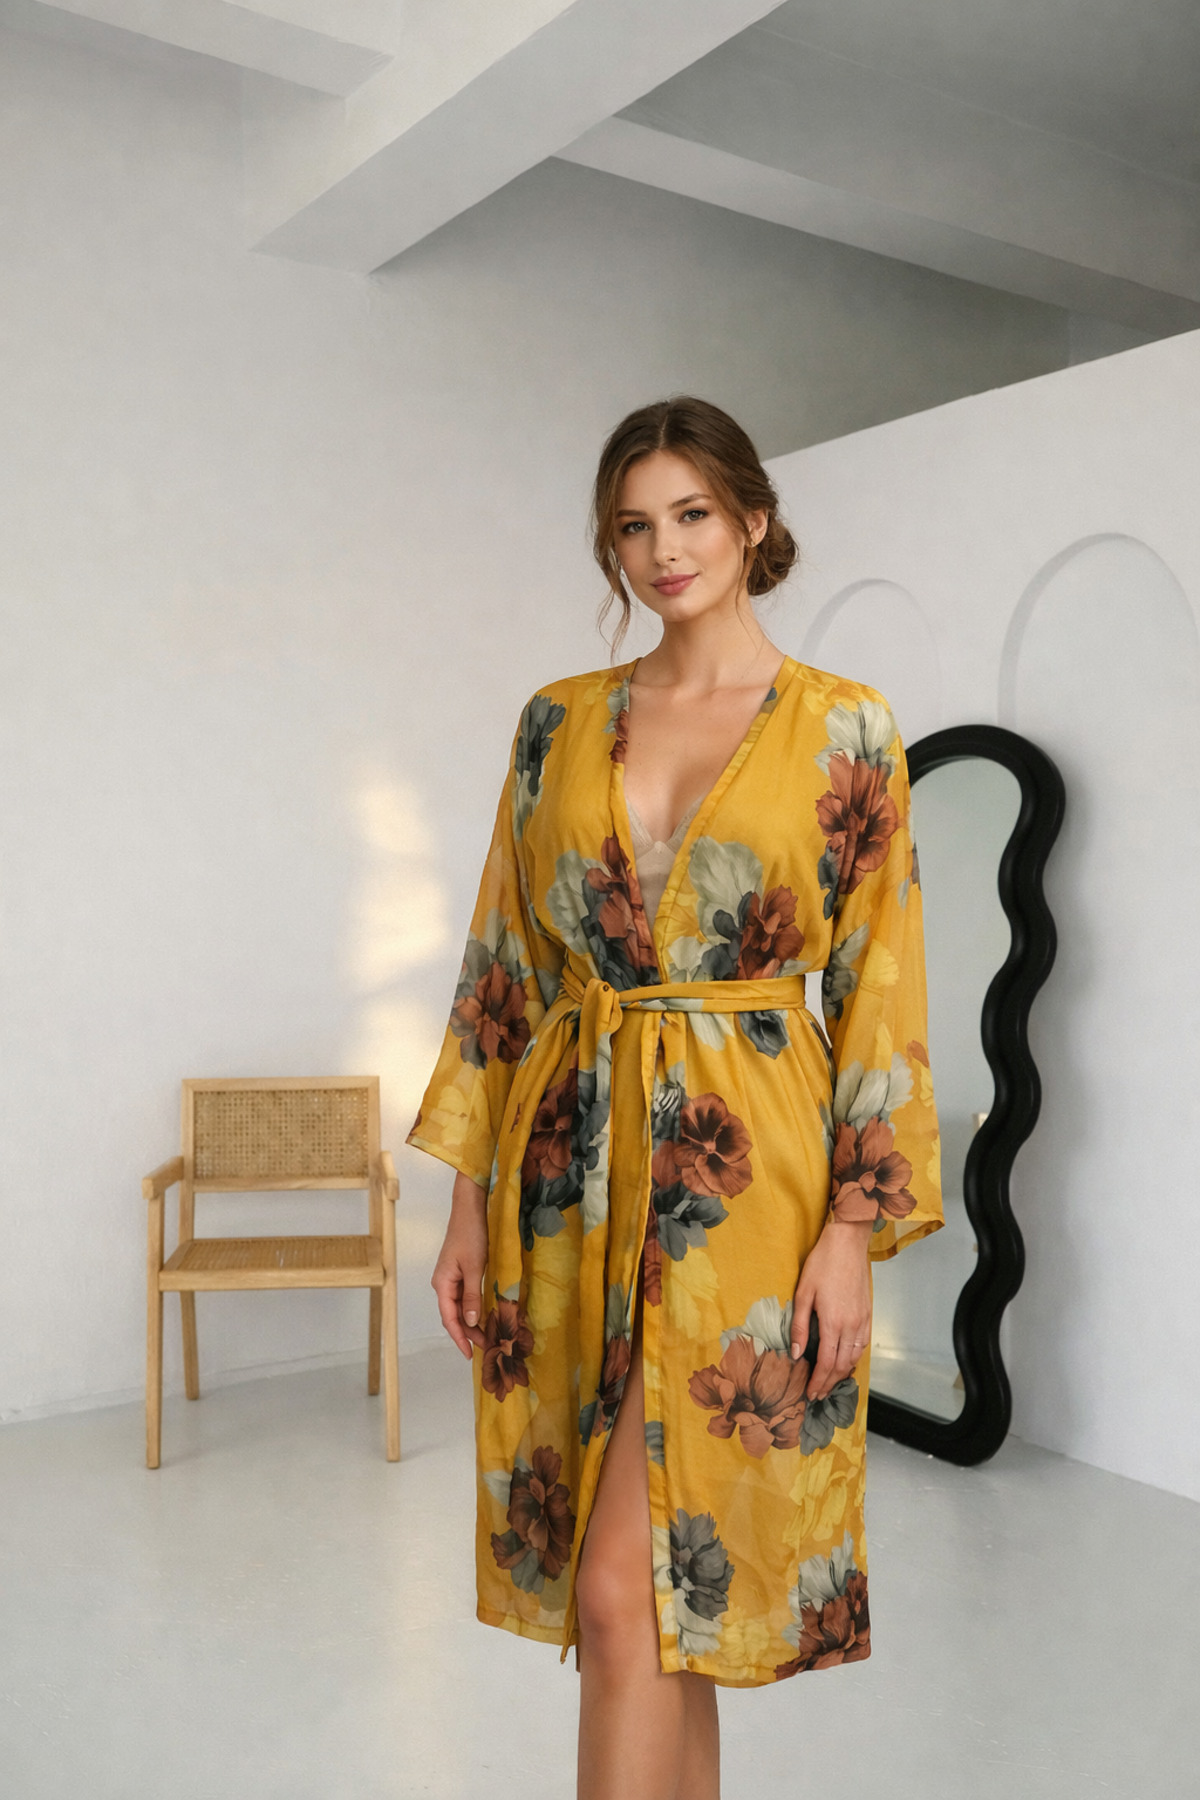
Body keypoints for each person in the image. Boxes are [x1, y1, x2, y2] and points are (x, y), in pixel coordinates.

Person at [408, 396, 943, 1799]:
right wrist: (465, 1202)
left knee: (632, 1593)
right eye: (634, 526)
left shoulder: (846, 727)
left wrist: (851, 1232)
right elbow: (504, 964)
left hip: (748, 1178)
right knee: (651, 1611)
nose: (665, 550)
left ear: (754, 519)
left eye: (692, 514)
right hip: (567, 1163)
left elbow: (882, 992)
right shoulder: (557, 721)